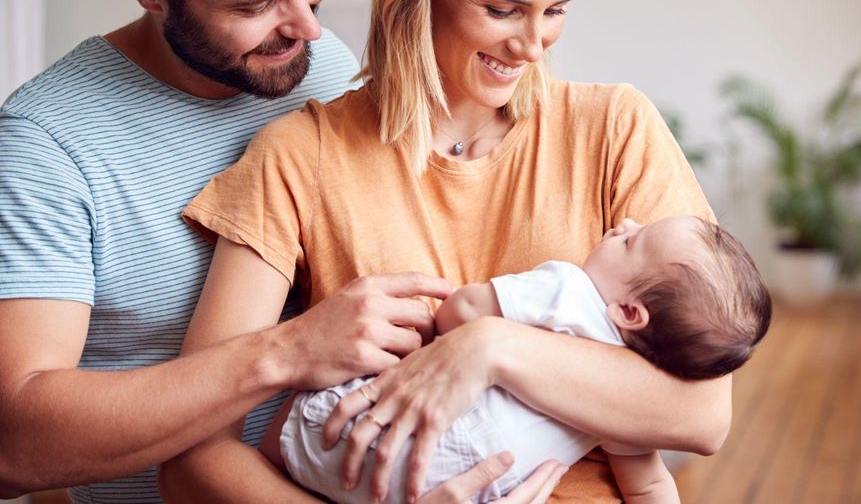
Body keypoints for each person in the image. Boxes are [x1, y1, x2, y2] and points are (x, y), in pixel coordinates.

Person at [168, 0, 733, 503]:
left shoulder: (615, 129)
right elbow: (192, 456)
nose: (531, 44)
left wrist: (490, 348)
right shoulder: (299, 158)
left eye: (554, 11)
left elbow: (702, 413)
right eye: (502, 9)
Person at [0, 0, 552, 503]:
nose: (308, 27)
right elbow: (15, 443)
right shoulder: (45, 146)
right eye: (258, 4)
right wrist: (288, 351)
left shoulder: (321, 70)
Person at [267, 215, 772, 503]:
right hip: (467, 488)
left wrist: (456, 321)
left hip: (376, 442)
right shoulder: (624, 402)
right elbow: (649, 486)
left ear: (628, 311)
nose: (624, 223)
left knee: (305, 418)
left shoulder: (569, 290)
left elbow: (460, 312)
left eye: (631, 240)